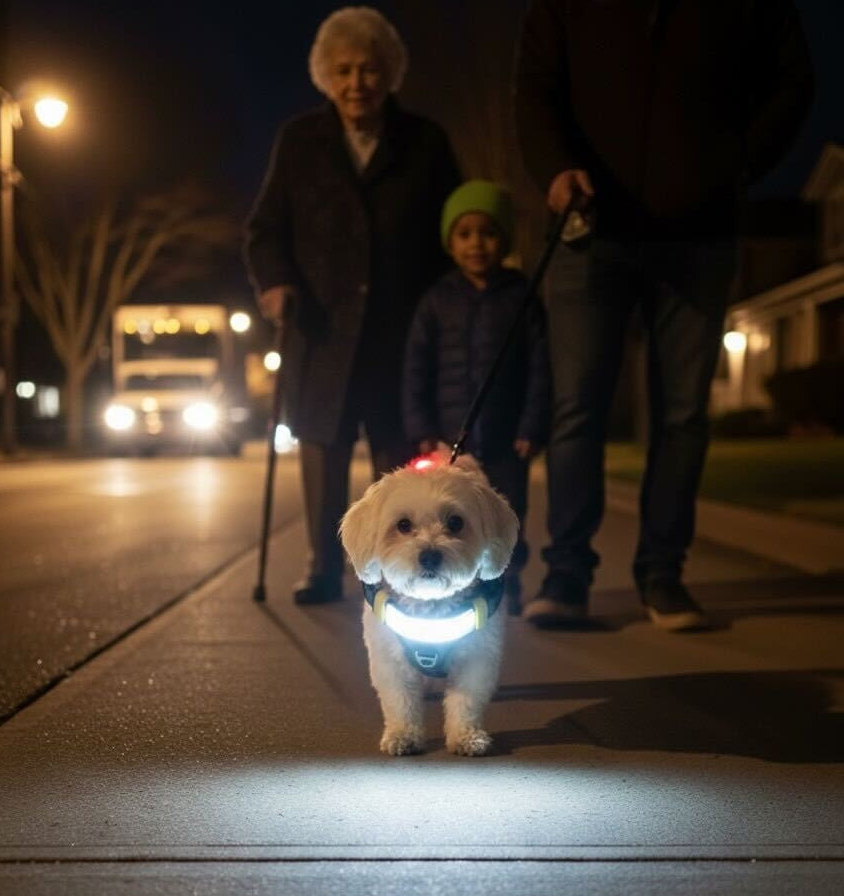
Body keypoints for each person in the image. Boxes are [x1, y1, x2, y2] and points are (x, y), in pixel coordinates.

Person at [513, 0, 814, 630]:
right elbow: (536, 87)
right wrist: (555, 167)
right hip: (590, 227)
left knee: (682, 412)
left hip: (700, 232)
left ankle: (663, 575)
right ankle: (565, 575)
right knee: (578, 407)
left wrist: (735, 161)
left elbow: (794, 80)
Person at [244, 6, 462, 604]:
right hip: (320, 334)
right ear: (325, 76)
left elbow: (451, 231)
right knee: (322, 450)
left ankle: (398, 575)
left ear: (389, 73)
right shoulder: (300, 142)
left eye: (369, 69)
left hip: (401, 334)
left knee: (398, 466)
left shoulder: (424, 142)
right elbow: (265, 230)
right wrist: (275, 283)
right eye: (343, 70)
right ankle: (323, 567)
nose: (356, 82)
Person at [402, 180, 549, 615]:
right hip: (450, 440)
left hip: (507, 439)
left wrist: (532, 424)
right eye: (465, 234)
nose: (476, 244)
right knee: (453, 517)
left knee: (507, 515)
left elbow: (541, 366)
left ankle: (508, 582)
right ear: (451, 242)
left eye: (487, 232)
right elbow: (416, 367)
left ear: (503, 238)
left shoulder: (521, 297)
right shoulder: (437, 300)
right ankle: (454, 588)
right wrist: (423, 428)